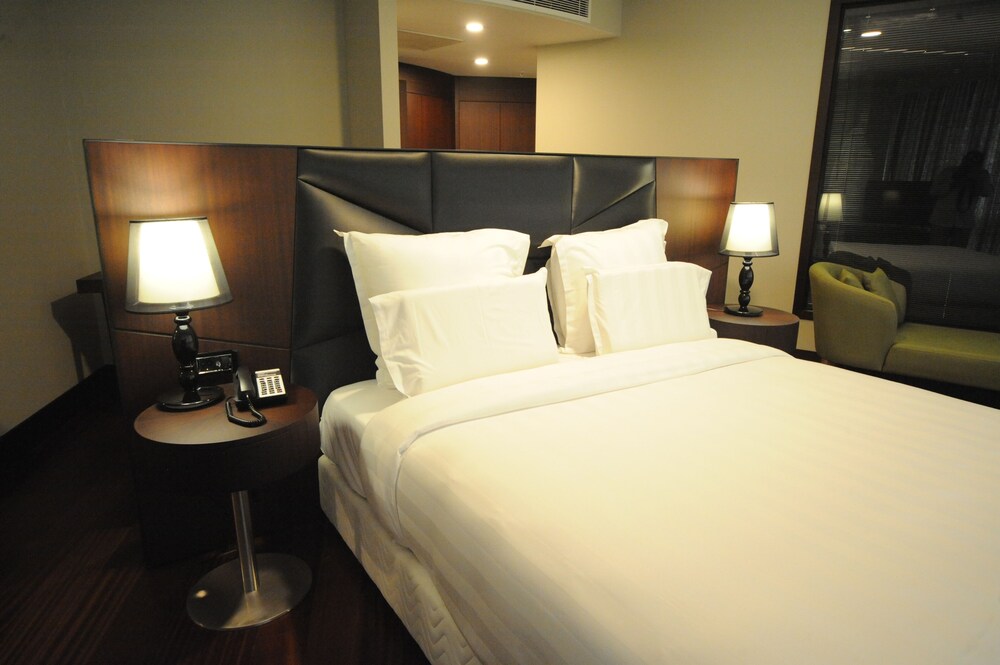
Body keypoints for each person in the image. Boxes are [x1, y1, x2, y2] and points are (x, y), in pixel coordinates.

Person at [928, 150, 994, 247]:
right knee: (936, 249)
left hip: (964, 220)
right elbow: (933, 191)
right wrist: (952, 182)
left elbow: (988, 192)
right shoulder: (949, 171)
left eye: (975, 161)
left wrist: (977, 181)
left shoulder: (982, 175)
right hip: (942, 217)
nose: (971, 163)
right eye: (969, 159)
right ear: (964, 159)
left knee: (958, 252)